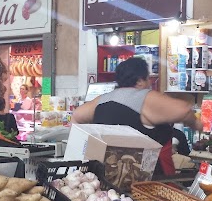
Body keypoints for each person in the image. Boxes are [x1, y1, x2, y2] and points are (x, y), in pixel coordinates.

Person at [73, 58, 201, 175]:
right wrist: (197, 125)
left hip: (109, 176)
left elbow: (76, 117)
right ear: (140, 81)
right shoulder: (146, 98)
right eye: (148, 79)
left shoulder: (101, 100)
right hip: (148, 181)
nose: (149, 83)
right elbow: (185, 111)